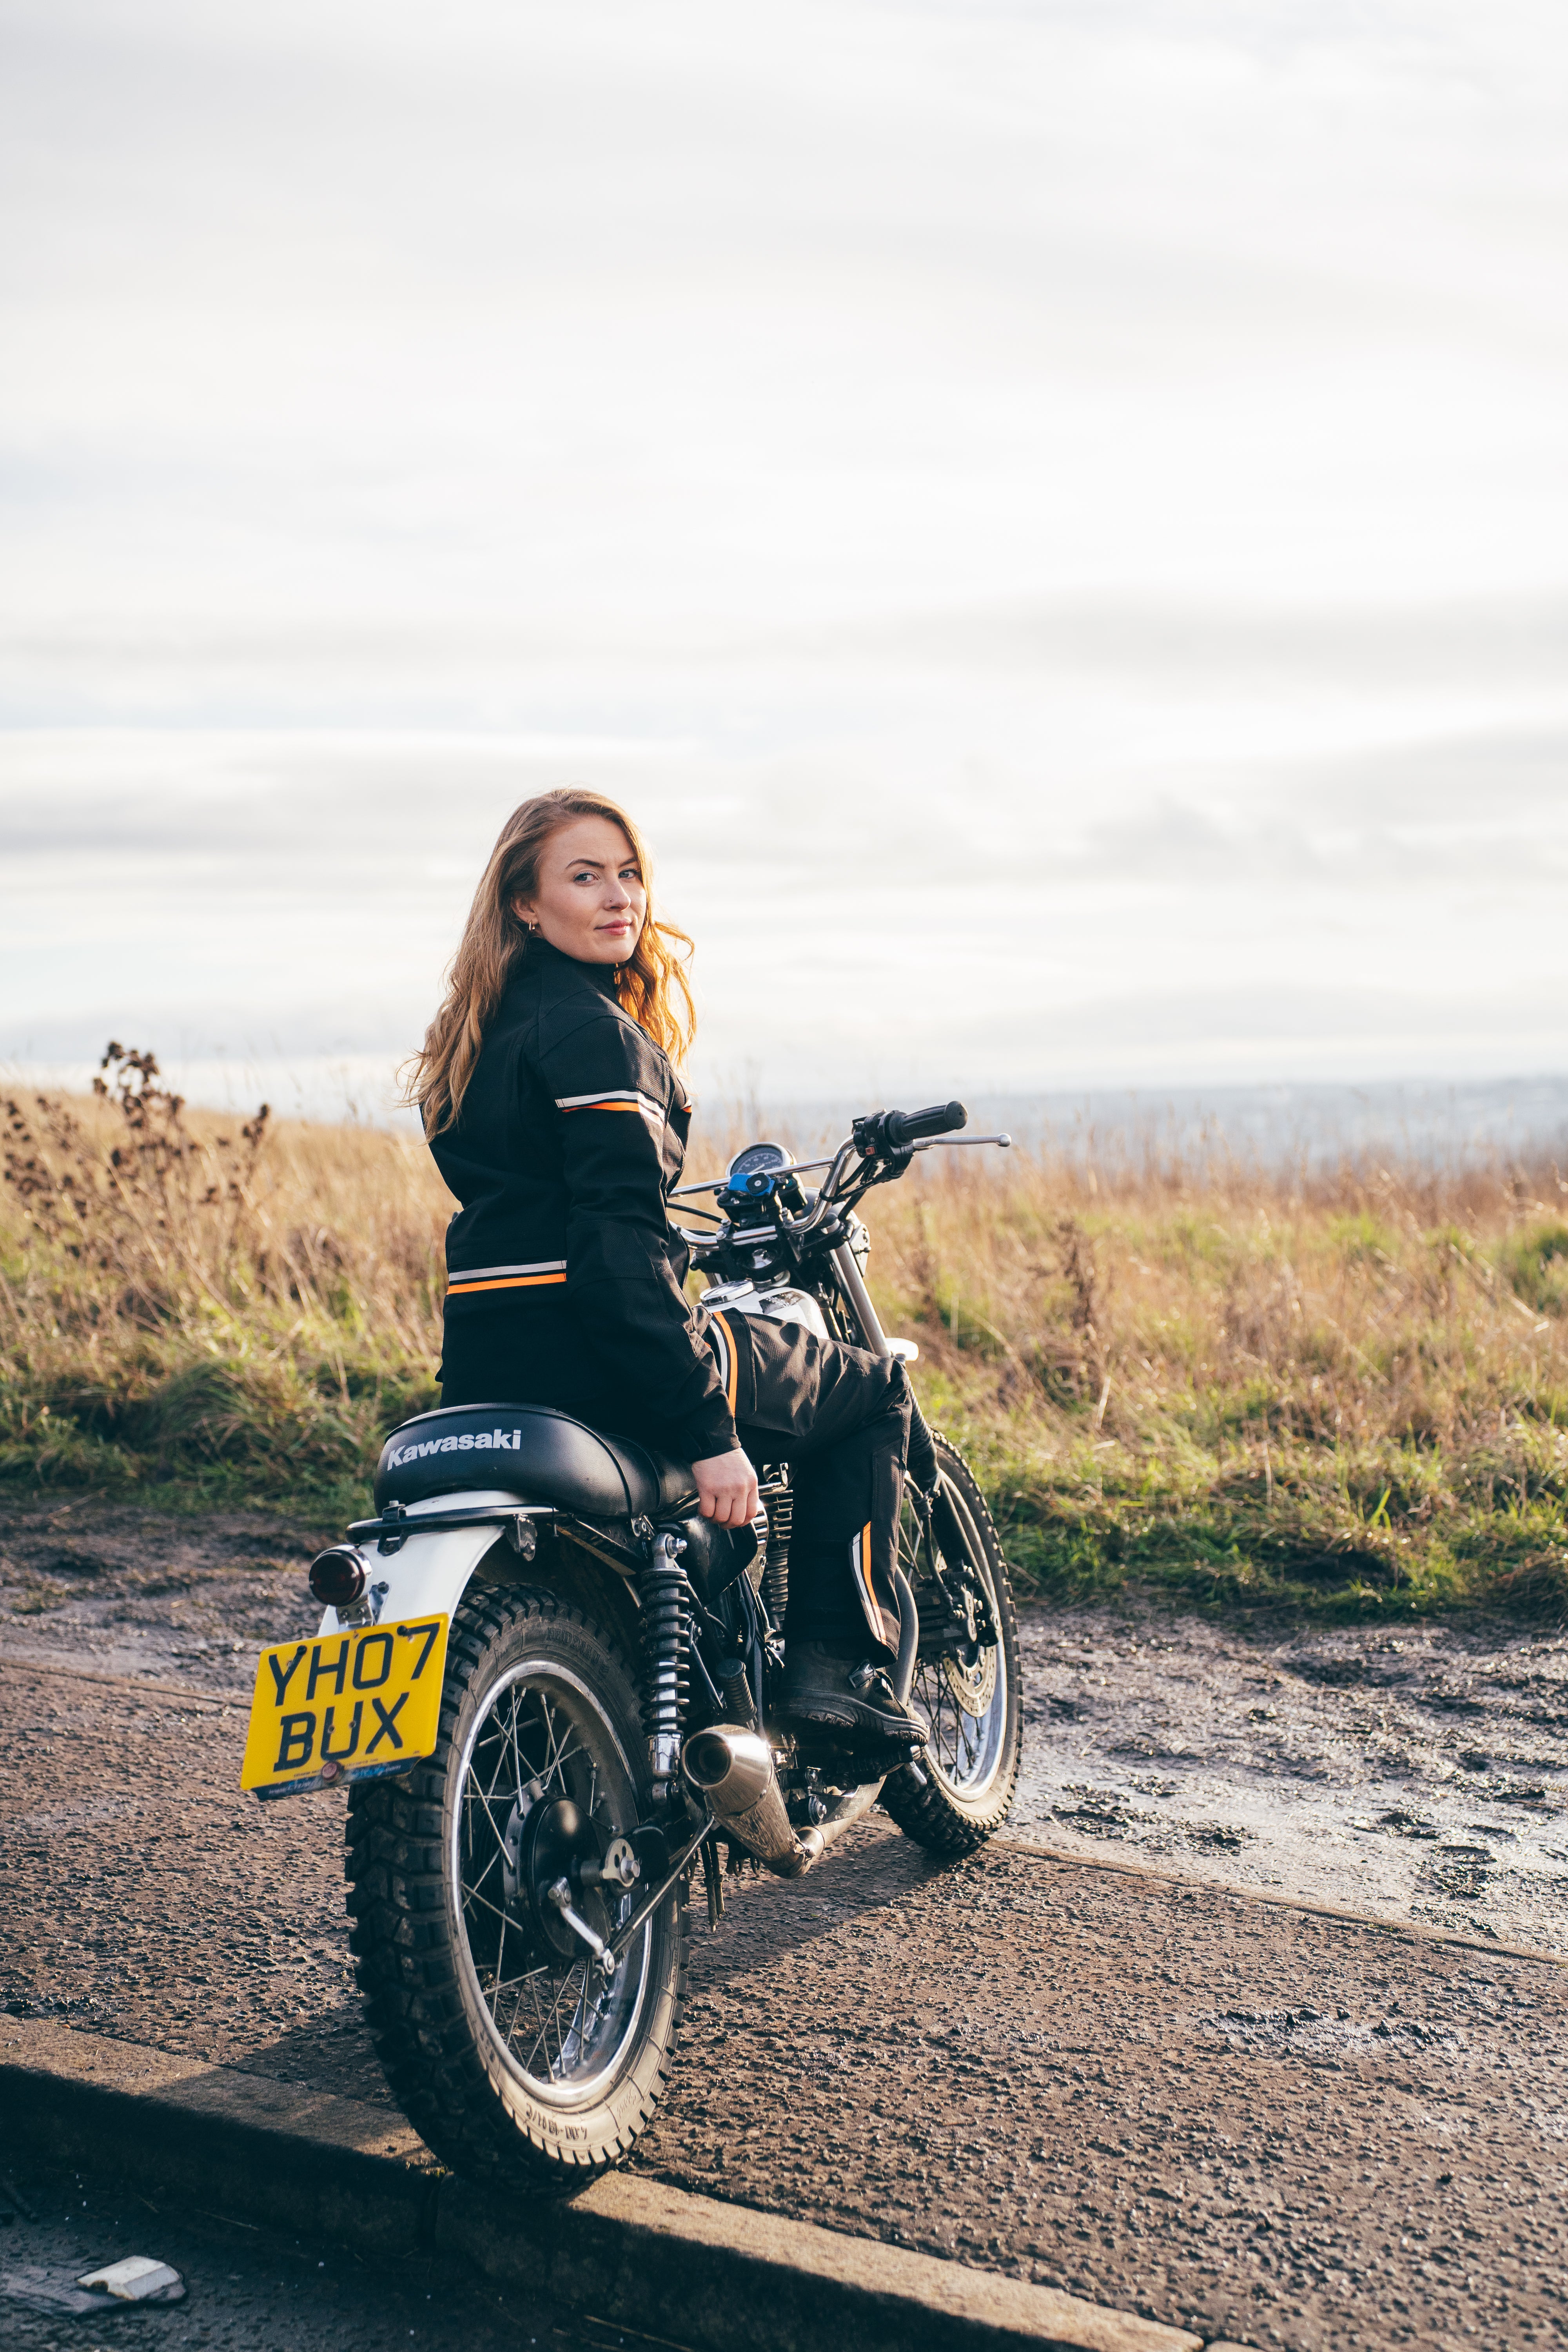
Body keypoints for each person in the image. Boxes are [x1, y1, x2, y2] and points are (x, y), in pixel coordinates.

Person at [406, 786, 927, 1752]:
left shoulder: (467, 1043)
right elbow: (616, 1260)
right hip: (598, 1352)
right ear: (525, 904)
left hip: (486, 1364)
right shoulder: (596, 1036)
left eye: (629, 873)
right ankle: (836, 1670)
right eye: (585, 876)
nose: (620, 897)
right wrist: (706, 1429)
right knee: (871, 1393)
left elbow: (538, 1214)